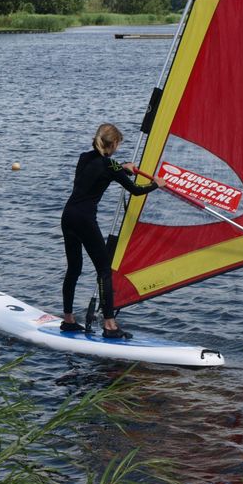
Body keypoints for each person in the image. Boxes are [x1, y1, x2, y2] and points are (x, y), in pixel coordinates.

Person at [60, 123, 165, 339]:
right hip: (84, 220)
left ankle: (68, 320)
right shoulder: (110, 165)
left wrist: (122, 167)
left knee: (74, 269)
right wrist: (156, 184)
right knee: (104, 270)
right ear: (114, 143)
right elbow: (135, 190)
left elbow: (99, 171)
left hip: (68, 216)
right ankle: (109, 325)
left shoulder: (84, 158)